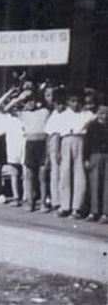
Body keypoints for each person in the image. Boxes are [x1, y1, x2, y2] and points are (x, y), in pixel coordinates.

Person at [46, 89, 94, 218]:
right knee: (64, 174)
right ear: (68, 102)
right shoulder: (63, 115)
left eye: (78, 101)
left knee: (79, 175)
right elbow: (57, 134)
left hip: (80, 141)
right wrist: (57, 151)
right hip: (65, 141)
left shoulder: (87, 114)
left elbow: (93, 122)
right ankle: (64, 206)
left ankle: (76, 208)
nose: (76, 104)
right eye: (73, 101)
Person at [85, 104, 108, 223]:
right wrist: (86, 159)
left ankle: (105, 213)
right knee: (94, 184)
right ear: (97, 113)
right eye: (102, 113)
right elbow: (87, 143)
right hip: (95, 155)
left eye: (106, 113)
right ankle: (94, 212)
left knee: (106, 185)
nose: (104, 116)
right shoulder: (92, 126)